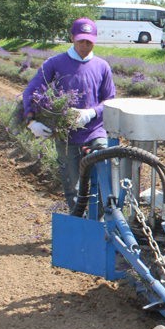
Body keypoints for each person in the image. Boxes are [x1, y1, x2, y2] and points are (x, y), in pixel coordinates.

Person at [23, 17, 116, 214]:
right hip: (67, 136)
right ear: (72, 37)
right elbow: (31, 91)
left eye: (89, 41)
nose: (85, 45)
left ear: (95, 40)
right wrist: (32, 121)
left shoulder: (102, 66)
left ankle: (99, 223)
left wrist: (91, 112)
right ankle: (78, 224)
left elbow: (110, 100)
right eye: (81, 40)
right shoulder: (55, 64)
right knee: (72, 185)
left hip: (95, 131)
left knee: (103, 179)